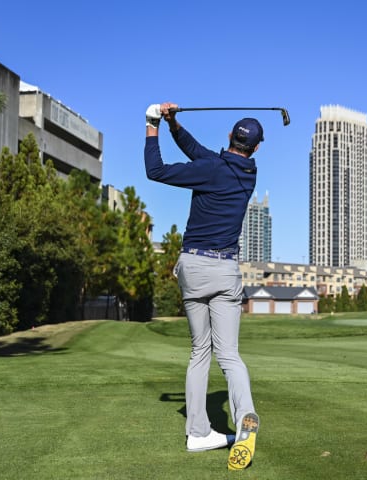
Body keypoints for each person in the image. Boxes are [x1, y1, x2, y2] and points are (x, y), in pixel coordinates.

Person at [144, 102, 260, 470]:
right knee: (229, 355)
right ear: (255, 148)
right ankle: (244, 417)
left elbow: (155, 170)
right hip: (224, 272)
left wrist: (152, 126)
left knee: (199, 352)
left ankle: (198, 433)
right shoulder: (247, 172)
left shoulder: (212, 168)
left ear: (229, 137)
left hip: (192, 267)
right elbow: (199, 153)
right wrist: (175, 124)